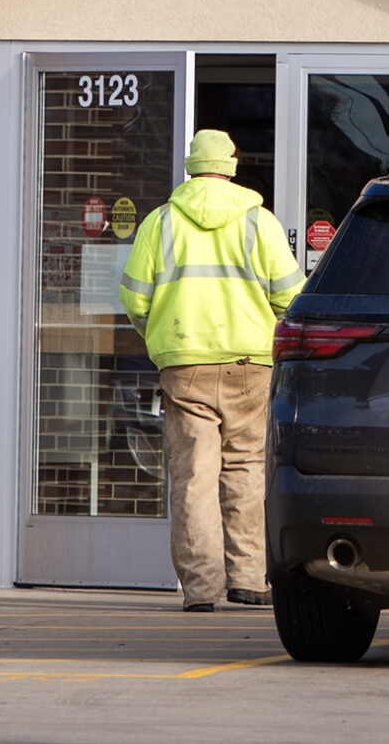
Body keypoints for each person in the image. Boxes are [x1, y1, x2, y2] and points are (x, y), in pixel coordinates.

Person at [116, 129, 304, 612]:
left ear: (190, 166)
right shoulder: (259, 223)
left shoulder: (159, 224)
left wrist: (161, 338)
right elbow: (291, 297)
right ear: (232, 166)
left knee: (194, 476)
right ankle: (249, 580)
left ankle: (201, 589)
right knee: (245, 470)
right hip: (249, 365)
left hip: (185, 365)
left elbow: (135, 299)